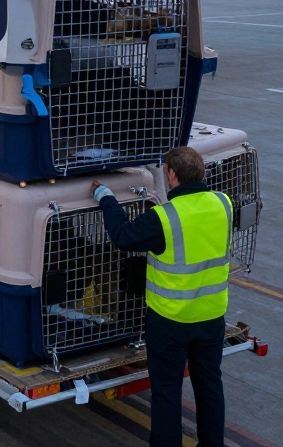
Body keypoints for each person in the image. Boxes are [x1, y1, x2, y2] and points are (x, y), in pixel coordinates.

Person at [91, 146, 233, 447]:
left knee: (167, 391)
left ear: (171, 175)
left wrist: (105, 197)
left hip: (171, 321)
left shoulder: (165, 217)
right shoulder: (223, 204)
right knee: (210, 386)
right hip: (211, 317)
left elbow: (123, 236)